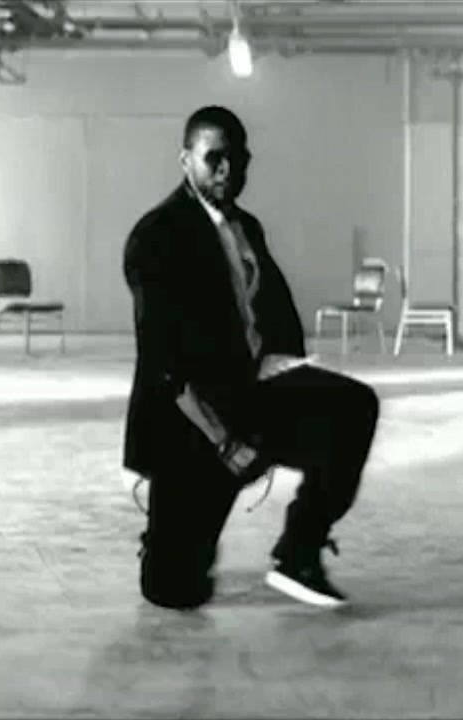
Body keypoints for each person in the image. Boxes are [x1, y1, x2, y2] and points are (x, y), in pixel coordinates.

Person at [122, 105, 380, 611]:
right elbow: (163, 364)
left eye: (237, 159)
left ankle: (298, 552)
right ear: (185, 159)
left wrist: (285, 371)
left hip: (252, 396)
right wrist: (225, 442)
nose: (227, 170)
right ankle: (165, 533)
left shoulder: (248, 227)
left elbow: (272, 314)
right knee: (175, 591)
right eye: (213, 158)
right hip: (194, 422)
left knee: (354, 406)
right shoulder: (156, 236)